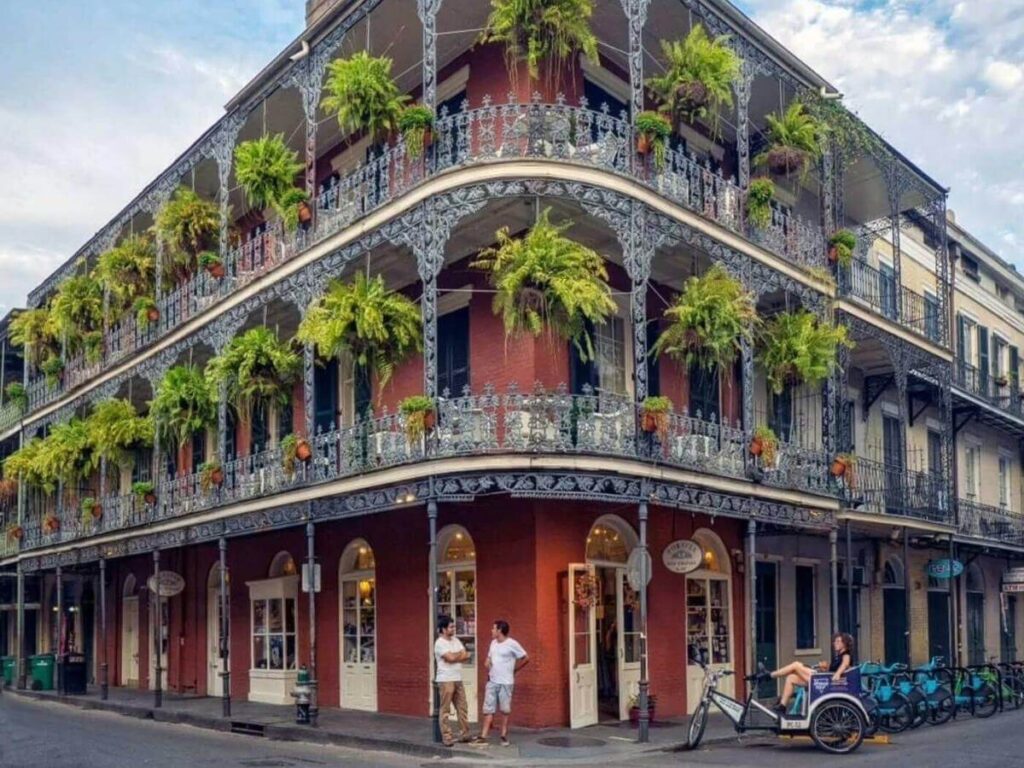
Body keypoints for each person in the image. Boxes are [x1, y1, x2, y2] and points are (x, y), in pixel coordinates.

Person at [471, 620, 528, 747]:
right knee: (488, 708)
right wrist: (487, 662)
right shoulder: (493, 643)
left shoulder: (512, 644)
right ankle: (483, 735)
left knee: (504, 709)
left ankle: (503, 734)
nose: (491, 631)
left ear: (500, 630)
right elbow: (489, 658)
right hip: (492, 680)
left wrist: (515, 669)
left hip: (506, 682)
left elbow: (526, 657)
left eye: (494, 628)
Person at [767, 632, 855, 713]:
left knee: (796, 665)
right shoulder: (838, 656)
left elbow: (845, 664)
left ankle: (769, 675)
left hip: (823, 681)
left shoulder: (846, 654)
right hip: (823, 680)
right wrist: (825, 667)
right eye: (835, 641)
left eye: (838, 641)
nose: (835, 643)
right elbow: (833, 670)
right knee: (791, 678)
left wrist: (838, 673)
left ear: (845, 644)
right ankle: (782, 706)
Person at [434, 615, 471, 746]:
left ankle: (464, 734)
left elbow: (466, 655)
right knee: (445, 710)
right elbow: (450, 658)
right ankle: (447, 737)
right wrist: (457, 656)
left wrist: (455, 656)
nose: (453, 629)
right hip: (445, 679)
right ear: (444, 629)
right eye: (451, 627)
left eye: (453, 626)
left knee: (462, 707)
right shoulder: (439, 643)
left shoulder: (456, 640)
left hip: (457, 678)